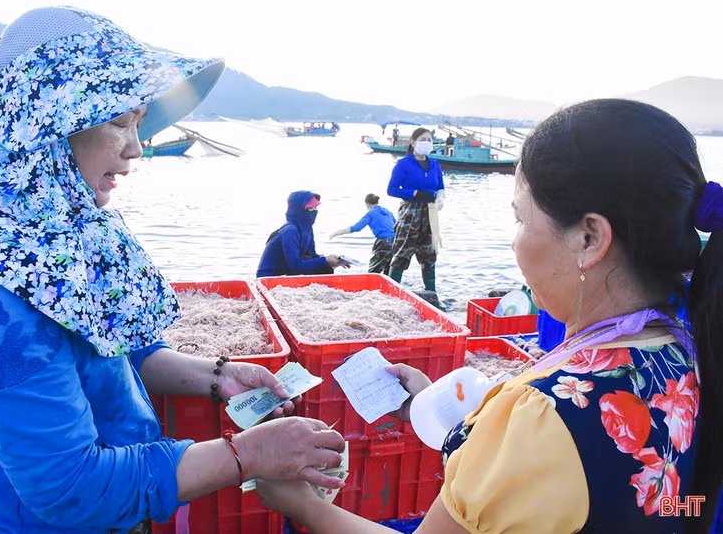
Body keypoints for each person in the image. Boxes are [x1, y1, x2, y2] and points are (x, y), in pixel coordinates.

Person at [0, 7, 345, 534]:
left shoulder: (59, 223)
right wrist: (248, 455)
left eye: (140, 122)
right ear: (48, 123)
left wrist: (216, 375)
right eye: (119, 121)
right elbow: (70, 492)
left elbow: (110, 347)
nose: (136, 148)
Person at [256, 99, 723, 532]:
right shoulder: (690, 348)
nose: (514, 241)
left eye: (520, 219)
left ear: (589, 239)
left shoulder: (540, 417)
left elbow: (553, 451)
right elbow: (671, 500)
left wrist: (304, 505)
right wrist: (445, 416)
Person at [386, 127, 445, 292]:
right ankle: (391, 292)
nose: (426, 143)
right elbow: (391, 189)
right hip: (410, 214)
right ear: (413, 142)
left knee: (429, 254)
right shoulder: (403, 164)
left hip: (431, 213)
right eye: (423, 139)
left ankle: (431, 293)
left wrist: (440, 197)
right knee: (402, 253)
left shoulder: (435, 164)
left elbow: (440, 186)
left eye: (429, 140)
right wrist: (414, 193)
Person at [257, 191, 349, 277]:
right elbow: (295, 266)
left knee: (325, 268)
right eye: (310, 208)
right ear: (297, 210)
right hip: (269, 276)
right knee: (323, 265)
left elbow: (312, 256)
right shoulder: (289, 231)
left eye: (315, 208)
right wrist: (325, 261)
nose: (314, 211)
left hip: (287, 272)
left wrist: (334, 261)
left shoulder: (307, 229)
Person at [329, 193, 396, 274]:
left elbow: (357, 228)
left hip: (383, 243)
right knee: (388, 270)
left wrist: (336, 233)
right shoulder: (388, 212)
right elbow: (396, 226)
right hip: (395, 242)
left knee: (373, 271)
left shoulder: (371, 213)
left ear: (367, 204)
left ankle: (370, 286)